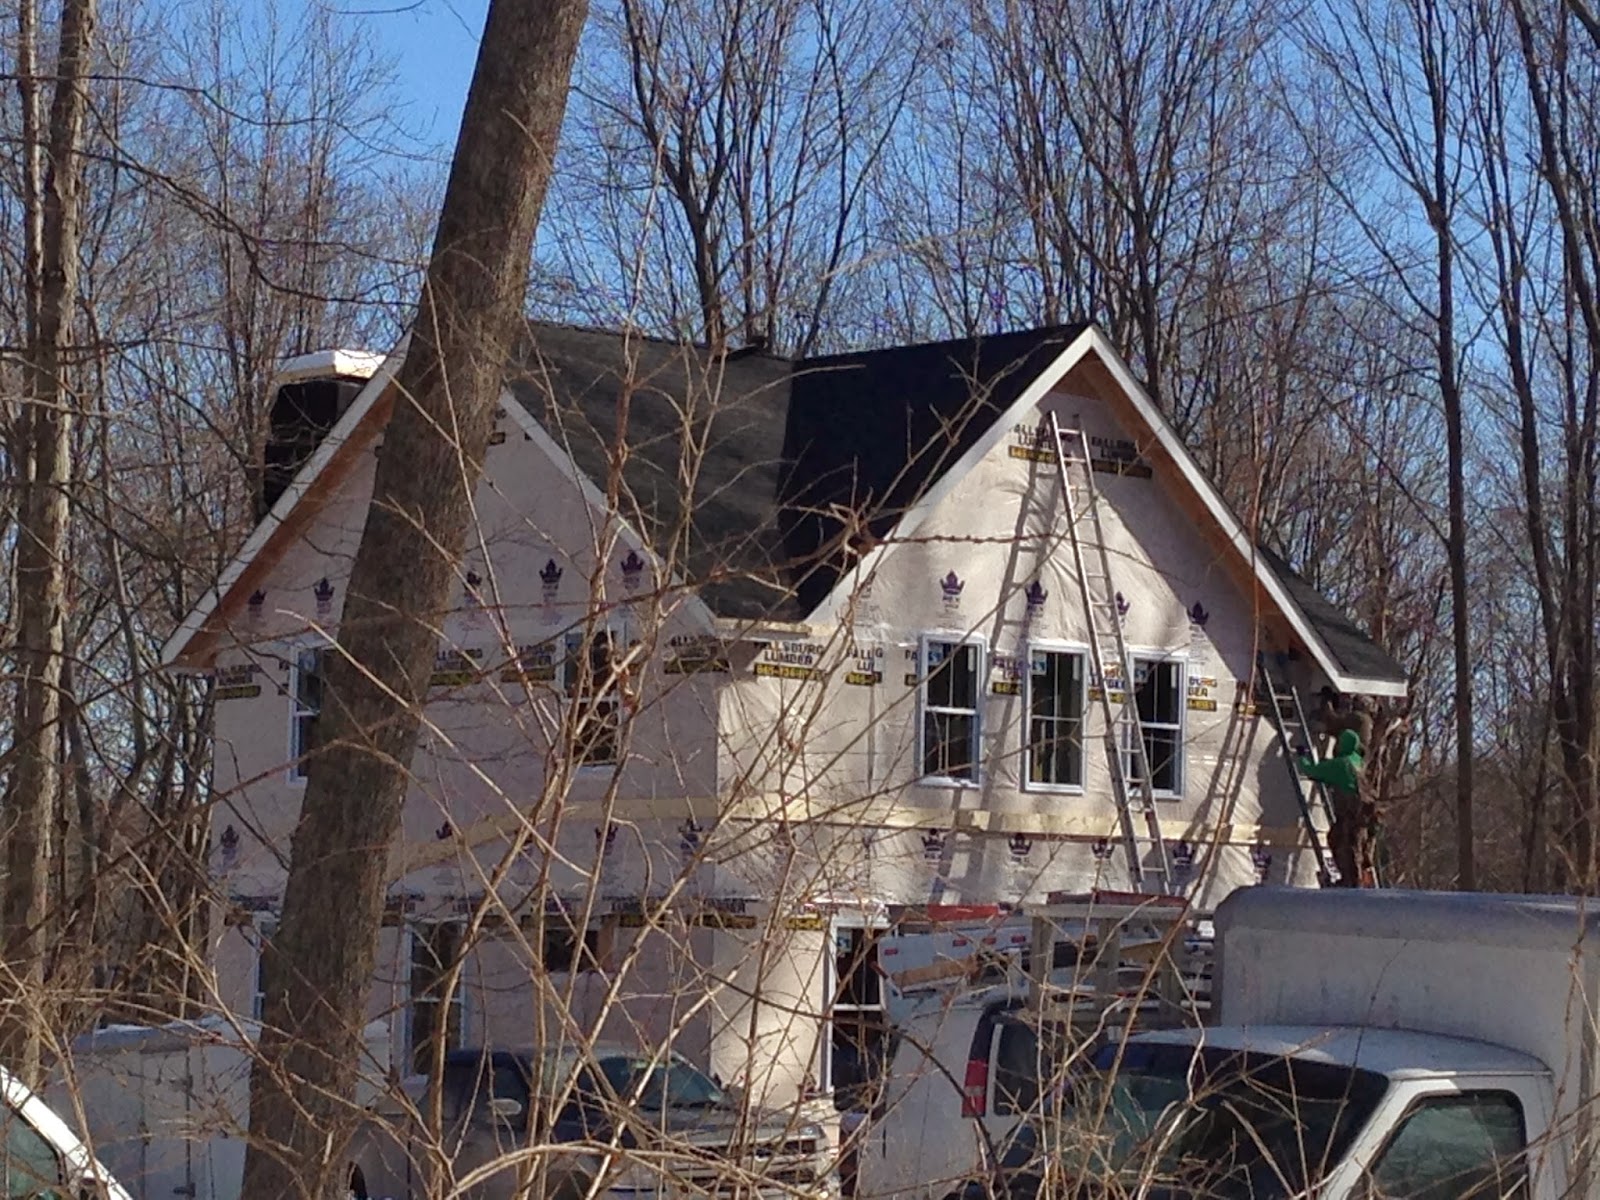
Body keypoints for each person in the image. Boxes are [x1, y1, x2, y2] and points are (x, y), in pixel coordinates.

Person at [1297, 728, 1367, 888]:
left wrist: (1302, 756)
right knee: (1353, 848)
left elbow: (1311, 771)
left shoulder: (1341, 764)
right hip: (1360, 815)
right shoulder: (1357, 761)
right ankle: (1353, 881)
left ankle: (1348, 883)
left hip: (1347, 815)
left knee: (1340, 844)